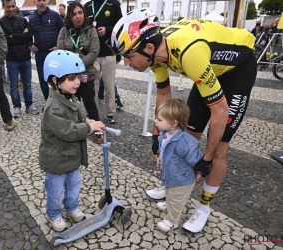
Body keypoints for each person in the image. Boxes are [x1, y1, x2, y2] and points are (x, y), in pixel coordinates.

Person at [110, 8, 257, 233]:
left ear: (148, 48)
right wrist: (157, 136)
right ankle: (176, 186)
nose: (126, 63)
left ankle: (203, 208)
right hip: (209, 69)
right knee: (187, 138)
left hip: (238, 70)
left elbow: (220, 110)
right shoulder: (156, 54)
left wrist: (206, 159)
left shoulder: (189, 54)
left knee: (218, 151)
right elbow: (163, 95)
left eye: (128, 56)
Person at [40, 50, 106, 232]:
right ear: (55, 80)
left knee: (74, 185)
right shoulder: (53, 107)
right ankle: (54, 214)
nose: (77, 82)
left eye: (78, 77)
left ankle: (72, 207)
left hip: (71, 157)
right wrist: (89, 128)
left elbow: (77, 119)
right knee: (55, 191)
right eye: (71, 78)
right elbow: (68, 130)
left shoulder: (71, 97)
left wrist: (88, 121)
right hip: (56, 159)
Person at [154, 98, 201, 232]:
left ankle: (172, 221)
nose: (155, 121)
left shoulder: (186, 143)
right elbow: (164, 149)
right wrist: (160, 158)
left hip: (182, 179)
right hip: (170, 175)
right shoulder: (164, 133)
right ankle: (169, 203)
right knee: (169, 191)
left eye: (159, 119)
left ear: (174, 123)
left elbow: (196, 160)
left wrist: (199, 172)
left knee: (176, 200)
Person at [57, 1, 101, 142]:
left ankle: (98, 131)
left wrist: (78, 64)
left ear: (84, 14)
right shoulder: (64, 31)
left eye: (80, 13)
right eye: (74, 14)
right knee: (70, 105)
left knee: (90, 104)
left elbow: (94, 52)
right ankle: (72, 130)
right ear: (69, 16)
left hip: (85, 74)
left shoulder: (90, 30)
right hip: (69, 76)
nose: (78, 16)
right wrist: (71, 65)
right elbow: (60, 50)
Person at [84, 0, 122, 123]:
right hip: (92, 54)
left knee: (109, 85)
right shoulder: (88, 6)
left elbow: (120, 26)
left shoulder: (113, 4)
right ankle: (92, 113)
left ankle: (110, 113)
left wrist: (107, 29)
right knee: (92, 87)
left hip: (108, 53)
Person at [0, 0, 39, 118]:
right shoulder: (1, 22)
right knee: (13, 85)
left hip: (25, 57)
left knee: (27, 84)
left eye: (13, 6)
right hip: (12, 58)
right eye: (8, 7)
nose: (11, 9)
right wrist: (21, 36)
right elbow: (6, 40)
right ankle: (16, 106)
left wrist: (14, 35)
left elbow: (28, 36)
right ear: (3, 7)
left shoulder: (23, 20)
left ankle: (29, 105)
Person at [29, 0, 64, 101]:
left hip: (54, 54)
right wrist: (31, 45)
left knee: (57, 79)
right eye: (39, 0)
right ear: (35, 2)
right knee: (43, 80)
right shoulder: (32, 19)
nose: (42, 3)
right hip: (40, 54)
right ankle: (48, 102)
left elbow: (65, 32)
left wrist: (59, 46)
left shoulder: (55, 15)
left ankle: (60, 102)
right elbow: (28, 36)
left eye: (44, 0)